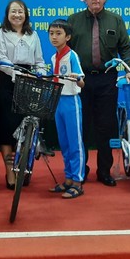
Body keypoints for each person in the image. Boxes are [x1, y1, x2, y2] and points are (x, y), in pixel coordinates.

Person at [67, 0, 130, 186]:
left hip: (107, 79)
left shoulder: (115, 20)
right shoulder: (74, 20)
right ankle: (81, 170)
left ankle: (104, 171)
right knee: (81, 125)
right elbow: (66, 50)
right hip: (82, 80)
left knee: (106, 126)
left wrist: (129, 70)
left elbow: (125, 48)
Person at [0, 0, 46, 190]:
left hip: (29, 82)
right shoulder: (0, 33)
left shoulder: (33, 35)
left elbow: (39, 60)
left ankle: (20, 166)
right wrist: (18, 74)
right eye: (13, 11)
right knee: (6, 128)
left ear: (26, 14)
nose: (17, 15)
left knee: (25, 127)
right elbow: (1, 59)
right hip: (7, 81)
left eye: (20, 11)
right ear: (7, 14)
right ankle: (10, 171)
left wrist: (40, 74)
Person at [47, 19, 86, 199]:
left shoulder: (72, 56)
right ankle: (68, 178)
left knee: (75, 142)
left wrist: (76, 78)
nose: (54, 37)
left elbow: (82, 82)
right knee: (64, 143)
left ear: (68, 37)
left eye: (58, 33)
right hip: (58, 102)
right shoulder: (53, 58)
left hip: (71, 102)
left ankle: (78, 182)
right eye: (51, 33)